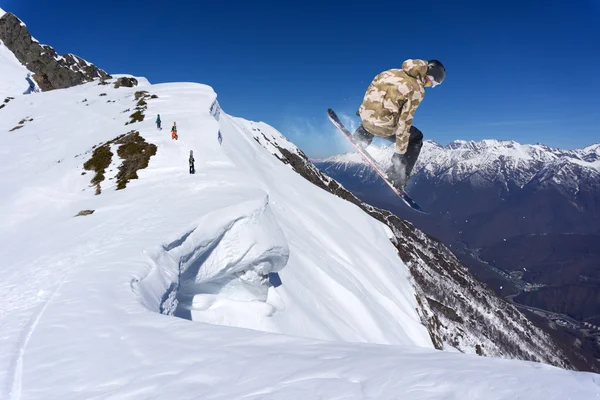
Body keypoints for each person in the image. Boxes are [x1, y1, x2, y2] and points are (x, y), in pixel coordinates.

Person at [352, 59, 445, 191]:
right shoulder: (417, 89)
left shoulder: (388, 72)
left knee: (378, 118)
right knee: (416, 138)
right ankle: (398, 174)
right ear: (427, 74)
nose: (428, 85)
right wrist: (400, 152)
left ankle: (360, 137)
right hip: (383, 127)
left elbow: (371, 91)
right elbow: (404, 122)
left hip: (366, 120)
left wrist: (363, 111)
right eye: (431, 82)